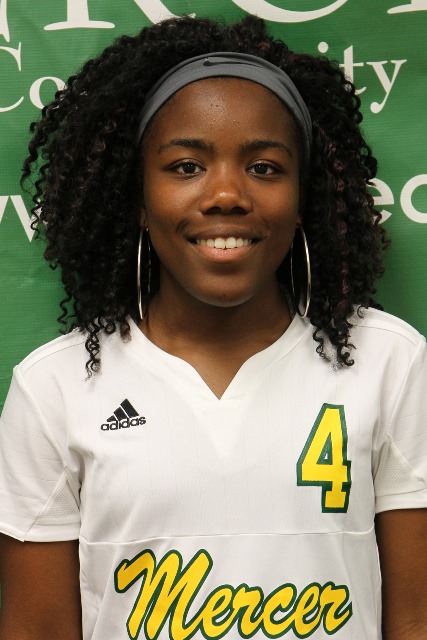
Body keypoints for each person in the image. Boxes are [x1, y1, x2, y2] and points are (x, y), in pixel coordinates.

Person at [0, 14, 426, 640]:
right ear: (139, 200)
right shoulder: (54, 388)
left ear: (303, 200)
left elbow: (415, 618)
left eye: (265, 167)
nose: (226, 194)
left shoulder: (390, 362)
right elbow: (37, 630)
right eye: (185, 166)